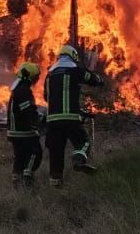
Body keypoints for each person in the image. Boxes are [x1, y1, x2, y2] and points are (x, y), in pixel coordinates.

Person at [44, 43, 105, 186]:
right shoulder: (75, 70)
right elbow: (91, 78)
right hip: (71, 118)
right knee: (83, 142)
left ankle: (55, 183)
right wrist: (100, 81)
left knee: (56, 152)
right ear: (73, 57)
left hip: (52, 120)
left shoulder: (49, 75)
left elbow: (47, 97)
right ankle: (78, 160)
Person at [6, 61, 43, 187]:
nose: (36, 80)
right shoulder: (23, 90)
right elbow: (28, 111)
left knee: (19, 157)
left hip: (14, 131)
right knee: (35, 152)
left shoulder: (16, 88)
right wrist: (39, 121)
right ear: (30, 76)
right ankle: (28, 176)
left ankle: (16, 181)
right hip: (23, 131)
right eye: (35, 77)